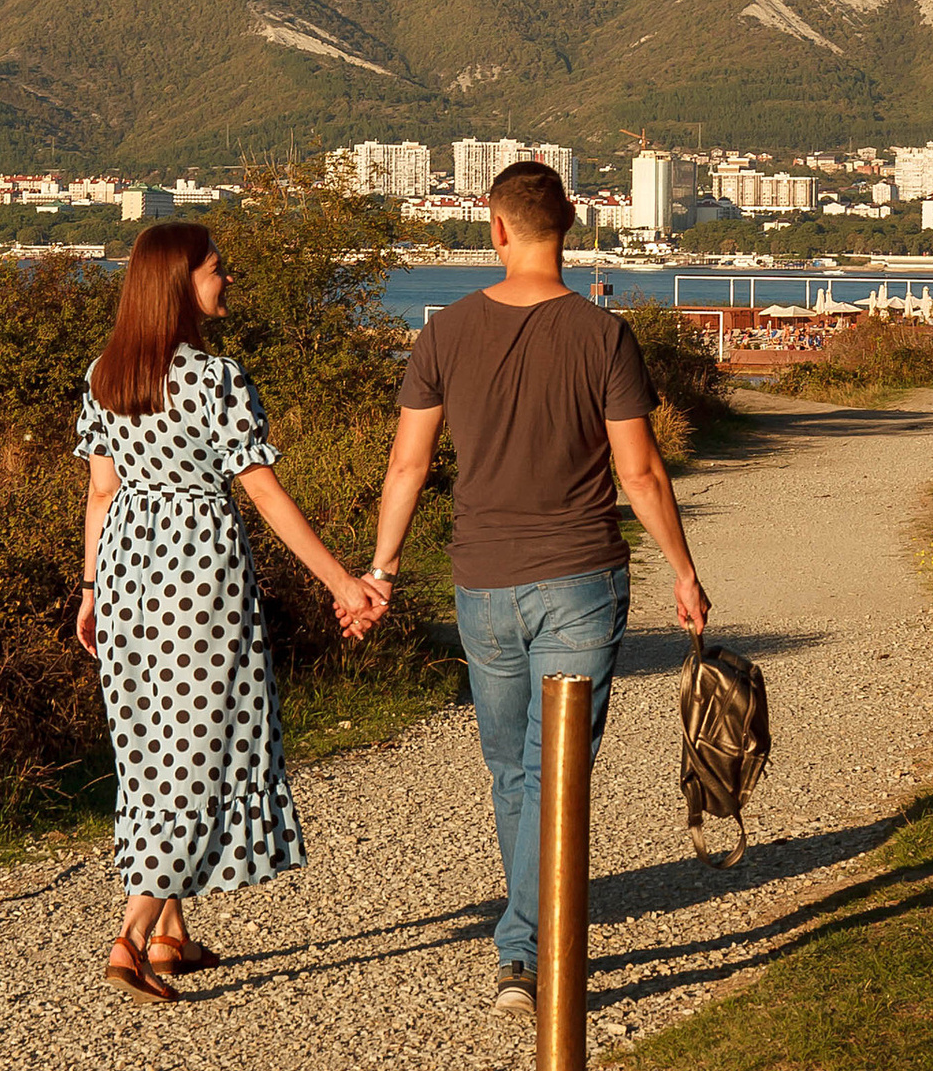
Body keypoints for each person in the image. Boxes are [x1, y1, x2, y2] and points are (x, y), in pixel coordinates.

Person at [361, 159, 708, 1017]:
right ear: (568, 229)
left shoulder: (443, 332)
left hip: (481, 579)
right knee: (558, 773)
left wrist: (382, 571)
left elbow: (409, 464)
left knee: (513, 773)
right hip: (583, 578)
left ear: (497, 227)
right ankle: (526, 949)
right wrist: (685, 570)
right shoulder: (603, 335)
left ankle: (524, 947)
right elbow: (641, 472)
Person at [75, 221, 378, 1006]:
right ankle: (133, 933)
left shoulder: (106, 373)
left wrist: (90, 590)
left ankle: (173, 933)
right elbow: (264, 493)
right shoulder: (214, 378)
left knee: (151, 746)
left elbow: (101, 491)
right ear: (181, 282)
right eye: (217, 269)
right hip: (197, 572)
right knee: (203, 749)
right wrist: (342, 582)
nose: (228, 279)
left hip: (127, 571)